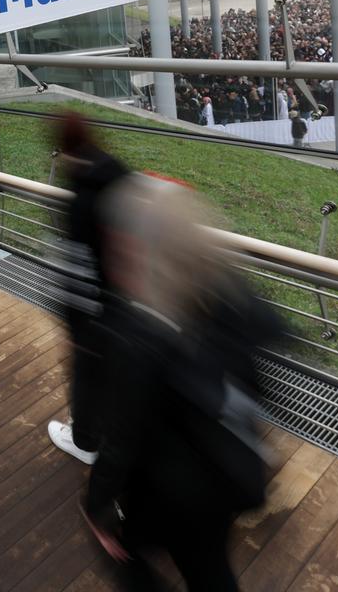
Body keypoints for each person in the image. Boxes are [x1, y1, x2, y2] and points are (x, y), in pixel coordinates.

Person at [81, 176, 280, 591]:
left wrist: (96, 503)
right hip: (224, 476)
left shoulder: (141, 333)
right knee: (210, 569)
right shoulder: (229, 297)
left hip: (167, 493)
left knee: (126, 552)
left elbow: (122, 438)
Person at [48, 112, 127, 466]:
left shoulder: (80, 200)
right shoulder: (120, 175)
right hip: (131, 303)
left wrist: (74, 327)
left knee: (87, 376)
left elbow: (76, 269)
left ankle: (85, 441)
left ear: (64, 149)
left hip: (98, 313)